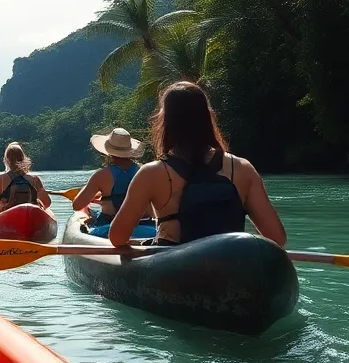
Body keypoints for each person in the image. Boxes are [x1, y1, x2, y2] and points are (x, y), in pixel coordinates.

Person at [108, 82, 286, 248]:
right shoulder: (242, 168)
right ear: (207, 118)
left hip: (174, 273)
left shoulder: (151, 173)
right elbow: (276, 238)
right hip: (231, 271)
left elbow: (117, 237)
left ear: (166, 122)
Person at [71, 127, 156, 238]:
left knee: (91, 220)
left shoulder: (101, 175)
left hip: (112, 228)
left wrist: (92, 190)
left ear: (108, 152)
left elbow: (77, 205)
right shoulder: (146, 172)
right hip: (147, 228)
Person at [0, 142, 51, 212]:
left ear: (6, 160)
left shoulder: (0, 179)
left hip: (8, 216)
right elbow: (47, 203)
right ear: (24, 159)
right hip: (30, 215)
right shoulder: (34, 179)